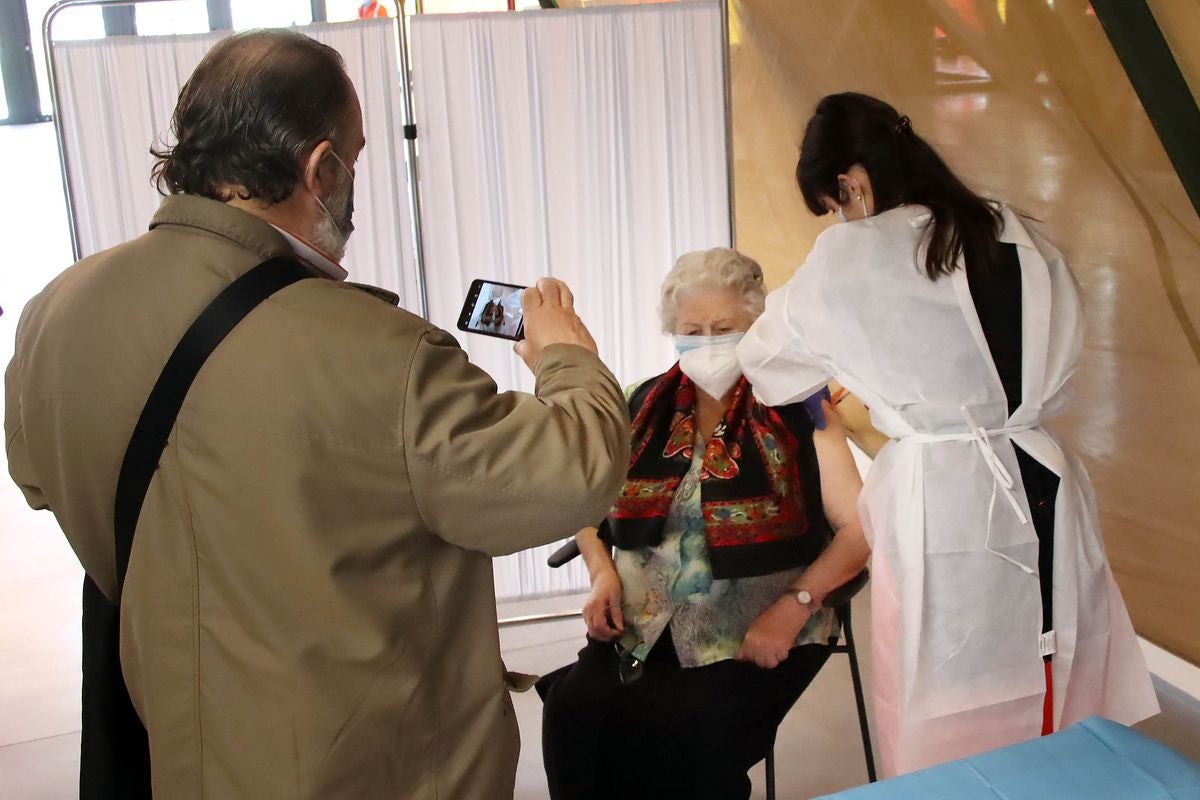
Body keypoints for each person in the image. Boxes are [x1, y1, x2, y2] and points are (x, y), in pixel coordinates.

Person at [4, 31, 630, 799]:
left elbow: (37, 476)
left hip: (180, 748)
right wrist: (566, 357)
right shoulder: (382, 354)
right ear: (321, 168)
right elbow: (570, 477)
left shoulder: (56, 311)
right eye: (356, 160)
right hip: (369, 765)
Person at [737, 92, 1159, 776]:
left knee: (950, 681)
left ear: (849, 180)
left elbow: (767, 365)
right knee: (1054, 651)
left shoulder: (854, 253)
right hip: (1041, 467)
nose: (842, 217)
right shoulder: (1014, 230)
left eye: (836, 201)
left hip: (946, 491)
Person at [538, 248, 869, 800]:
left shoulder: (803, 410)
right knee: (573, 716)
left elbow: (859, 531)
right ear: (672, 332)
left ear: (756, 327)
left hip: (755, 626)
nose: (708, 341)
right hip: (641, 622)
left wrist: (793, 610)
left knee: (682, 740)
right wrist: (601, 573)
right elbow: (584, 505)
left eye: (725, 328)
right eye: (693, 329)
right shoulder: (637, 404)